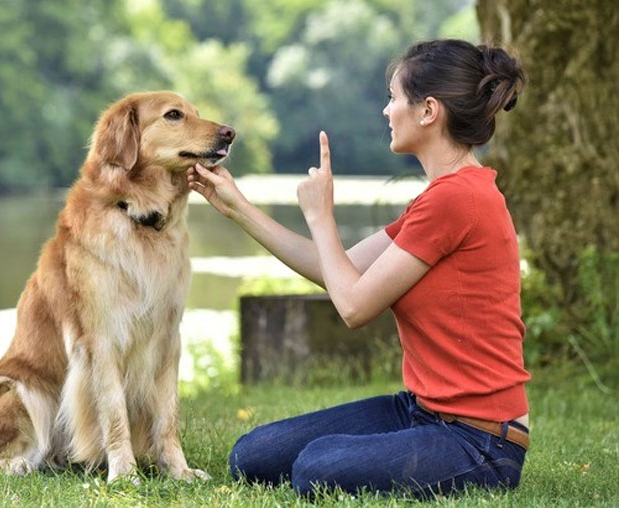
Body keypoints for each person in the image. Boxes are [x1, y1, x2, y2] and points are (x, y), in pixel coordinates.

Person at [186, 39, 530, 497]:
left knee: (315, 469)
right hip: (423, 411)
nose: (386, 111)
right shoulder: (440, 198)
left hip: (481, 440)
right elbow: (340, 270)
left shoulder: (457, 199)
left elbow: (352, 307)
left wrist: (321, 216)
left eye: (393, 97)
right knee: (251, 456)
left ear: (428, 110)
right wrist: (236, 207)